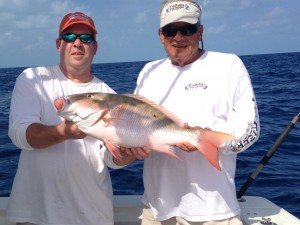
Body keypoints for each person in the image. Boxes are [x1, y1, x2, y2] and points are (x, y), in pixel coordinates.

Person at [7, 12, 146, 225]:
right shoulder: (32, 79)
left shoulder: (107, 93)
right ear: (59, 45)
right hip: (36, 216)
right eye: (70, 37)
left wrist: (128, 156)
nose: (78, 43)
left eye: (86, 38)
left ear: (95, 47)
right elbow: (19, 135)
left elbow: (109, 157)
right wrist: (63, 133)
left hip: (92, 215)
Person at [133, 0, 260, 224]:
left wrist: (205, 138)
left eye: (188, 29)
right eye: (171, 30)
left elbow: (250, 130)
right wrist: (134, 148)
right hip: (157, 210)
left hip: (215, 212)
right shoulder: (148, 72)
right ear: (161, 35)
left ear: (200, 31)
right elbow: (136, 124)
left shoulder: (229, 65)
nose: (178, 37)